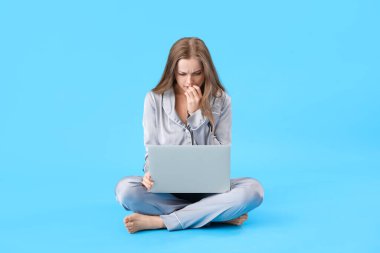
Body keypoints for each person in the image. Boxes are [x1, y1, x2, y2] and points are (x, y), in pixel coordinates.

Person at [115, 37, 264, 233]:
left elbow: (220, 156)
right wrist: (149, 174)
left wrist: (197, 117)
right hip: (168, 190)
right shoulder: (154, 99)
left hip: (210, 190)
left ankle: (163, 221)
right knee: (125, 190)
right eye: (182, 73)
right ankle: (215, 216)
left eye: (197, 74)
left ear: (206, 71)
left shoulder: (221, 100)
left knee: (253, 191)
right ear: (172, 71)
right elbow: (150, 151)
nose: (189, 81)